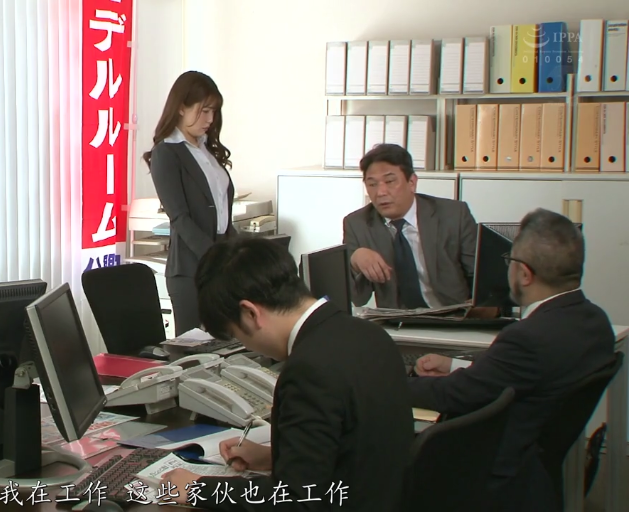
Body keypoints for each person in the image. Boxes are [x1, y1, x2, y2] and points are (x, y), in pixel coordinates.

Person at [162, 237, 411, 512]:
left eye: (236, 335)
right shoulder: (369, 334)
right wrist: (277, 457)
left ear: (250, 313)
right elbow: (357, 450)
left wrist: (198, 488)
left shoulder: (309, 370)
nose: (247, 346)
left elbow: (296, 501)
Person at [410, 208, 615, 511]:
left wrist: (386, 384)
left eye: (509, 261)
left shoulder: (528, 337)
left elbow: (454, 395)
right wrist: (454, 365)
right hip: (536, 471)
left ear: (525, 274)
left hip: (493, 476)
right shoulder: (596, 322)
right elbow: (523, 375)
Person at [144, 71, 238, 336]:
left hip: (219, 266)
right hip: (190, 271)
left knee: (227, 344)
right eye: (204, 111)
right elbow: (180, 219)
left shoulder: (205, 149)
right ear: (181, 107)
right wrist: (214, 258)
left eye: (214, 112)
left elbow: (222, 214)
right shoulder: (167, 152)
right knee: (194, 348)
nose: (210, 119)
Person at [342, 143, 478, 309]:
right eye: (372, 184)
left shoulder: (453, 215)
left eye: (390, 181)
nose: (381, 192)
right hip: (397, 321)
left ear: (412, 182)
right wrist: (354, 261)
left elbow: (480, 277)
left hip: (453, 315)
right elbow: (357, 298)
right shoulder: (357, 224)